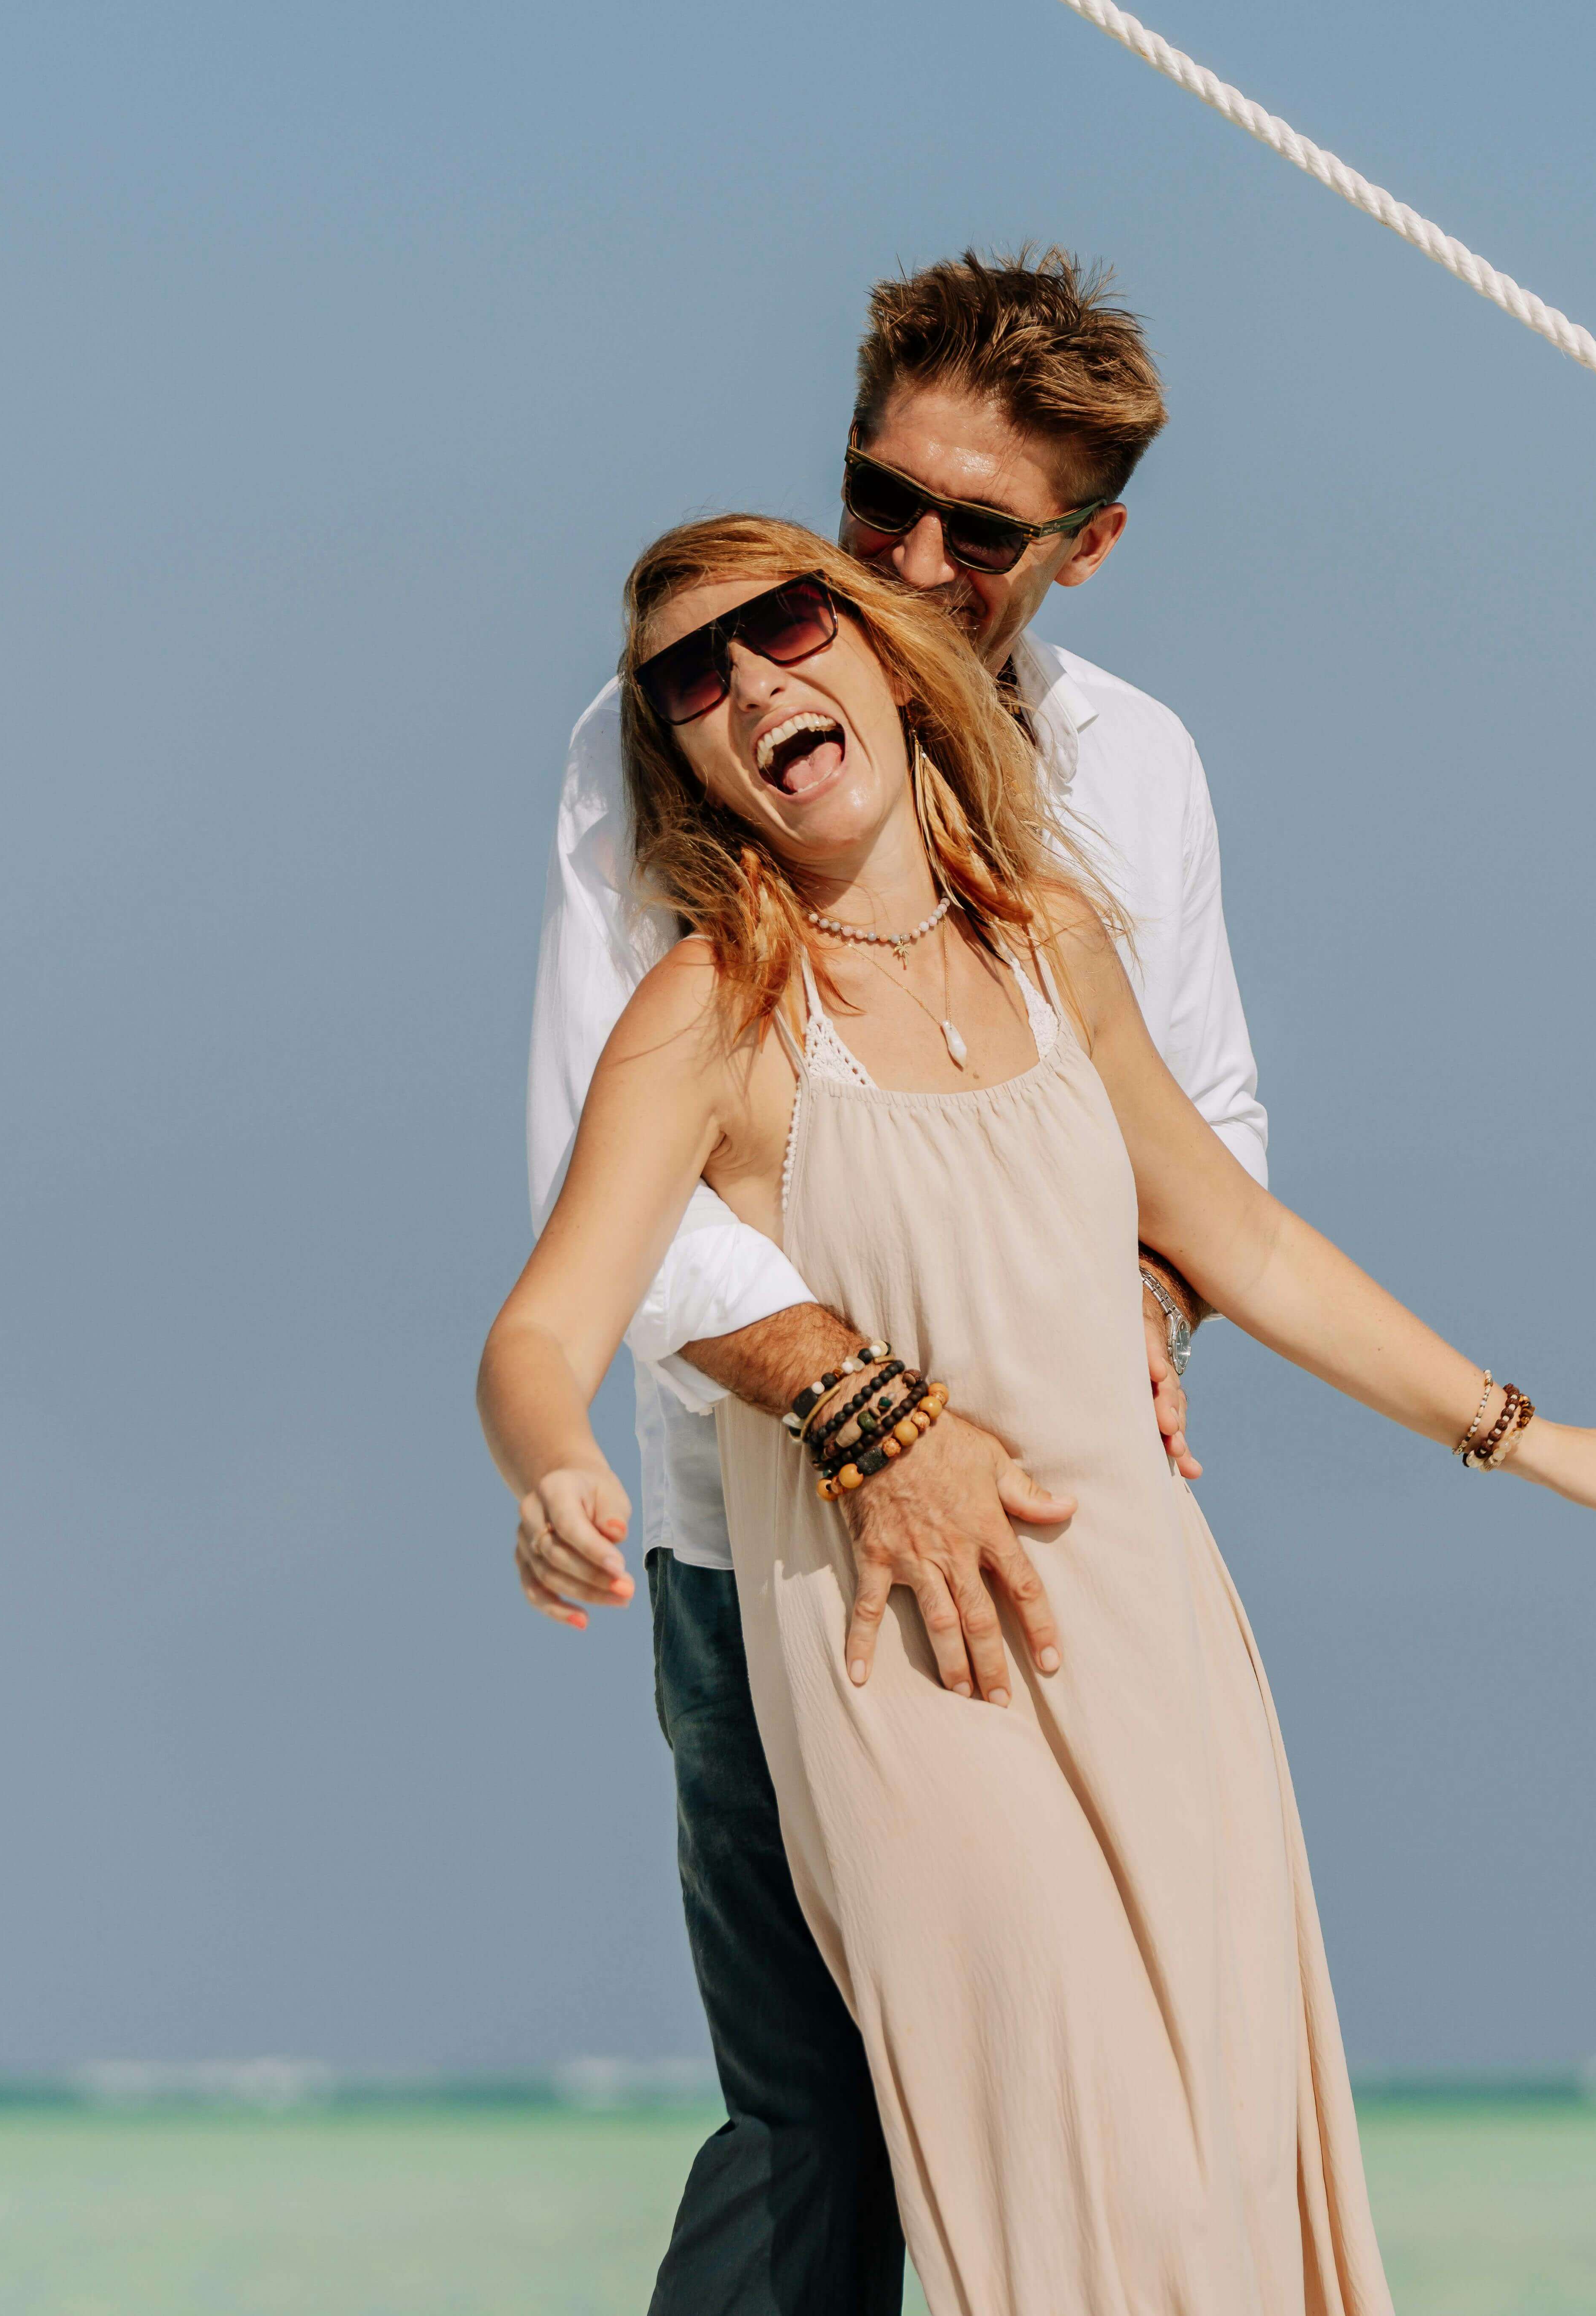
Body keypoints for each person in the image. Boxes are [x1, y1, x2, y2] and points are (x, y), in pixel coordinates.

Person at [483, 512, 1596, 2308]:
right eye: (689, 681)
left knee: (1233, 2189)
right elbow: (547, 1323)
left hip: (1154, 1638)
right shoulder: (708, 1010)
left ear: (873, 649)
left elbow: (1232, 1233)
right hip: (907, 1664)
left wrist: (1523, 1434)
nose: (750, 681)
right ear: (681, 764)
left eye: (779, 627)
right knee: (1109, 2212)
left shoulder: (1049, 937)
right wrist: (551, 1466)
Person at [522, 250, 1274, 2312]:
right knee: (824, 2135)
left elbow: (1202, 1125)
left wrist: (1147, 1309)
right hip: (768, 1545)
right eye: (880, 499)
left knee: (1146, 2112)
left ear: (1090, 545)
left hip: (1078, 1556)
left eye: (980, 529)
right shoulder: (676, 716)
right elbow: (608, 1191)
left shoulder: (1139, 773)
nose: (907, 558)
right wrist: (876, 1420)